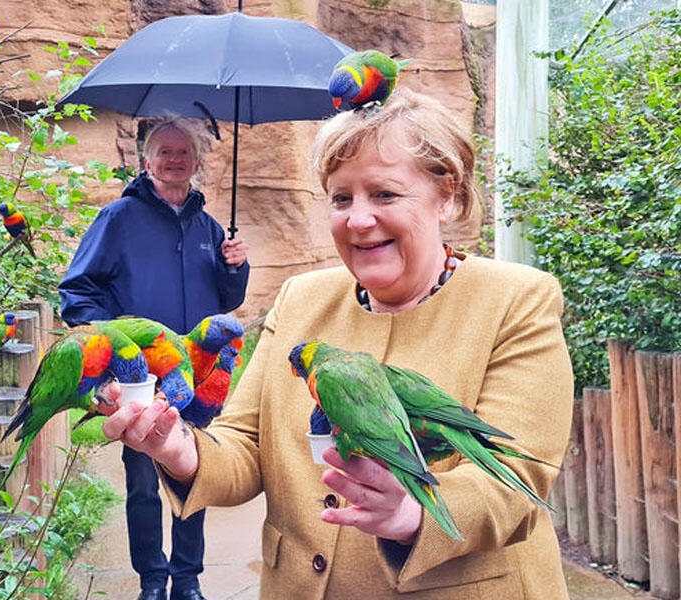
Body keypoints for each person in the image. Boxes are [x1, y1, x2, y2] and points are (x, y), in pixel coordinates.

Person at [100, 88, 574, 599]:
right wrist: (179, 449)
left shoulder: (516, 299)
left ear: (448, 196)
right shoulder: (302, 298)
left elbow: (517, 477)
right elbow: (245, 444)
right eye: (341, 198)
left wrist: (413, 512)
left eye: (385, 194)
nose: (358, 219)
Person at [59, 115, 250, 600]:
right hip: (143, 379)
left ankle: (187, 580)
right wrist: (114, 348)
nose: (174, 160)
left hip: (199, 381)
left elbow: (227, 301)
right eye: (164, 152)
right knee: (144, 485)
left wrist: (236, 265)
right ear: (147, 162)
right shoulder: (118, 219)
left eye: (183, 152)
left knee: (195, 474)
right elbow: (77, 291)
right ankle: (152, 580)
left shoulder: (209, 226)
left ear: (197, 163)